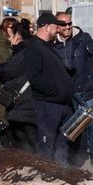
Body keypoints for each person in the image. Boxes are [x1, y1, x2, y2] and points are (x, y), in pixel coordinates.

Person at [57, 8, 93, 166]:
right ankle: (74, 154)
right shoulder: (54, 43)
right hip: (68, 91)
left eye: (69, 24)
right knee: (73, 123)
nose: (67, 27)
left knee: (92, 123)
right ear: (57, 27)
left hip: (86, 87)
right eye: (63, 25)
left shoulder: (83, 38)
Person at [21, 12, 74, 163]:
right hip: (48, 105)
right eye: (55, 26)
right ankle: (46, 176)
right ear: (45, 27)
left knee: (62, 144)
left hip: (62, 105)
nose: (58, 30)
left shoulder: (49, 46)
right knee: (47, 145)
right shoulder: (34, 47)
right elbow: (35, 77)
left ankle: (62, 173)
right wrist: (54, 91)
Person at [0, 19, 38, 152]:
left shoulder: (23, 52)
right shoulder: (37, 48)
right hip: (35, 107)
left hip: (24, 108)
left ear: (17, 36)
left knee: (26, 148)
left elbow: (5, 72)